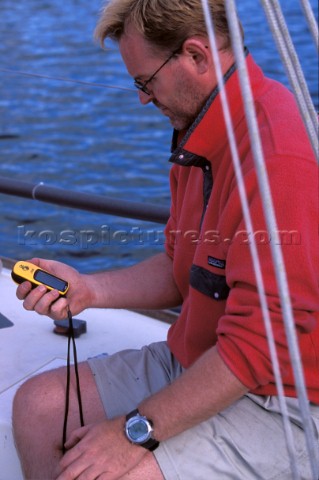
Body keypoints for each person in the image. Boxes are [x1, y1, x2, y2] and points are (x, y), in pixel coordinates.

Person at [12, 0, 319, 479]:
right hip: (199, 358)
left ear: (195, 57)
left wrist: (134, 431)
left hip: (283, 400)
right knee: (38, 408)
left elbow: (262, 345)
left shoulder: (276, 156)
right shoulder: (198, 135)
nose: (142, 98)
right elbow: (182, 267)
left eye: (144, 82)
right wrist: (88, 290)